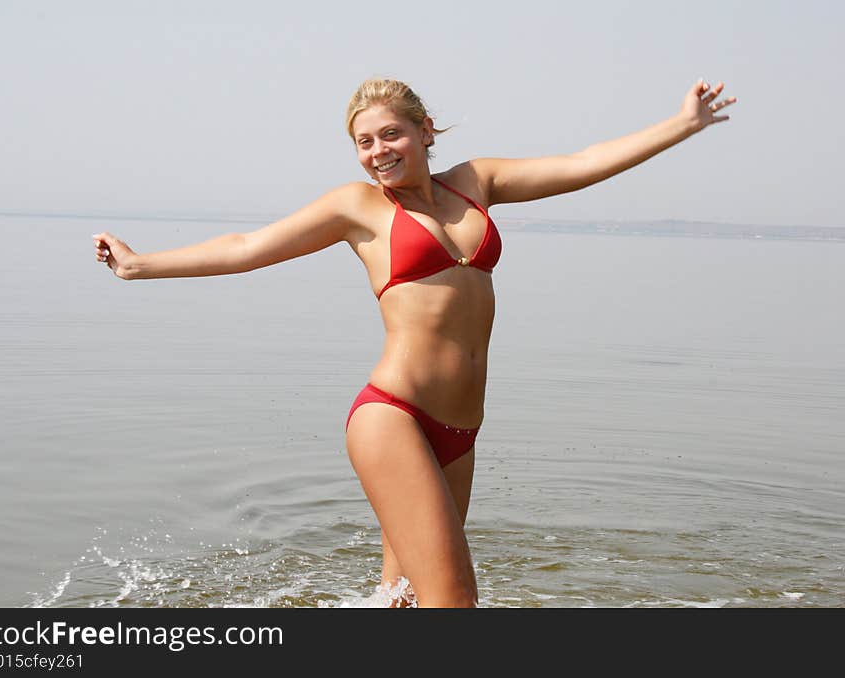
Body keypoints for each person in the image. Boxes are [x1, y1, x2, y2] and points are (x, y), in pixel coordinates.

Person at [93, 77, 735, 608]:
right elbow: (245, 249)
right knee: (453, 600)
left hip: (458, 431)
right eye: (364, 142)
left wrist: (680, 125)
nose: (378, 151)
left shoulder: (475, 182)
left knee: (401, 599)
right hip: (393, 416)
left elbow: (578, 164)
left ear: (426, 130)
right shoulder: (358, 208)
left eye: (391, 134)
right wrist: (140, 265)